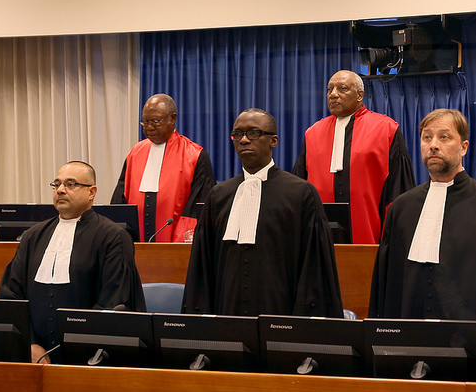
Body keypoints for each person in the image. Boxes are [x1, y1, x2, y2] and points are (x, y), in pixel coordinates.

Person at [369, 109, 476, 321]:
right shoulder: (401, 208)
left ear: (464, 147)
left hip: (475, 340)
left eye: (444, 137)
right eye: (427, 137)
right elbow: (386, 287)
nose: (433, 144)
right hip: (412, 339)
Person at [182, 108, 343, 318]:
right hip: (228, 314)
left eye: (254, 133)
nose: (244, 140)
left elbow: (314, 268)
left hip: (282, 316)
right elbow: (202, 267)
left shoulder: (301, 194)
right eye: (237, 134)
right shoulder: (218, 196)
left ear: (273, 140)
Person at [0, 161, 146, 363]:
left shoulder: (113, 237)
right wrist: (29, 344)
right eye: (56, 184)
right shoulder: (33, 236)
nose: (60, 190)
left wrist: (77, 346)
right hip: (32, 357)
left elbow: (113, 301)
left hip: (90, 356)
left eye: (70, 184)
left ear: (91, 192)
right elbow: (10, 295)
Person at [292, 70, 415, 243]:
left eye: (342, 88)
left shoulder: (386, 129)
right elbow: (299, 190)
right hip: (319, 240)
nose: (333, 94)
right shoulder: (313, 133)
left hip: (370, 235)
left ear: (360, 95)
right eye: (329, 89)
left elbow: (399, 192)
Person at [112, 94, 216, 242]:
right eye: (145, 122)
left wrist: (179, 242)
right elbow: (120, 199)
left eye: (155, 121)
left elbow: (198, 206)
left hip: (176, 243)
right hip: (134, 241)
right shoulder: (135, 153)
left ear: (173, 118)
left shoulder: (195, 155)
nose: (149, 128)